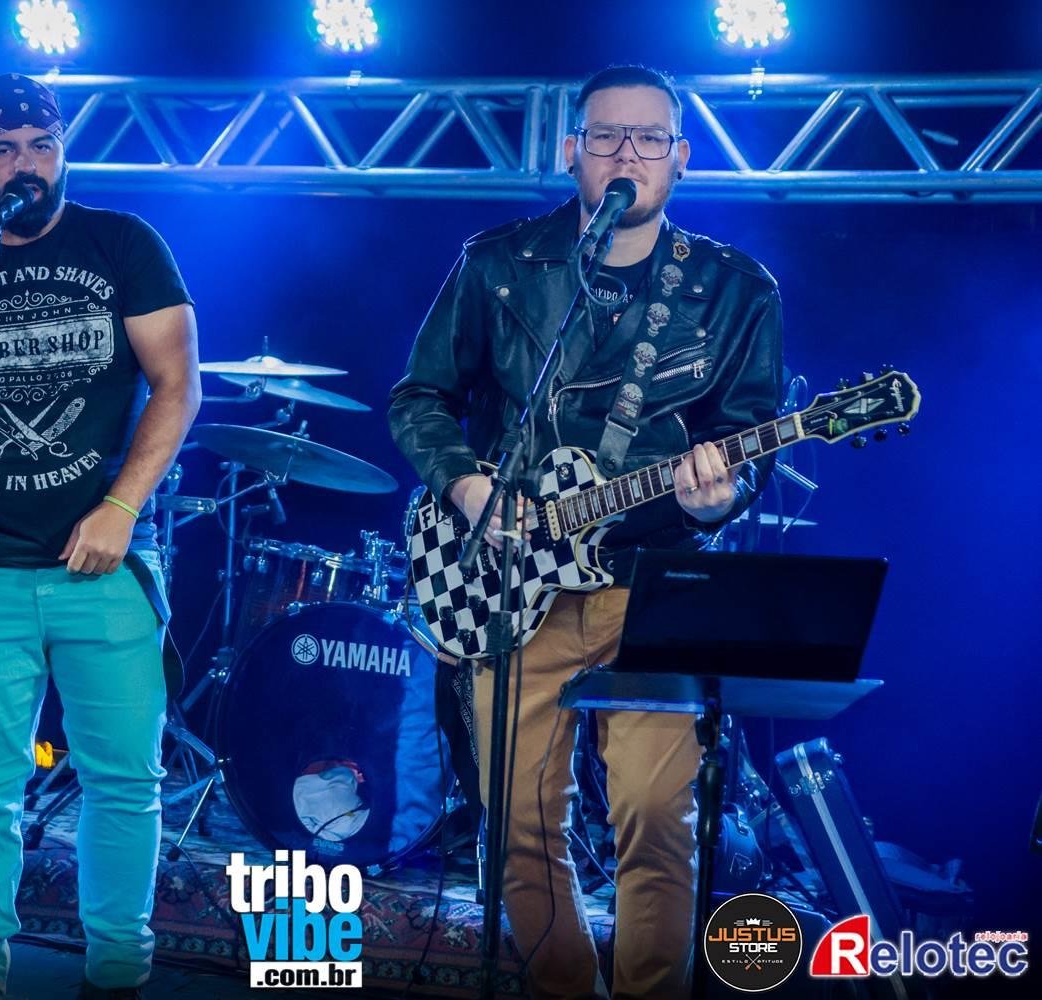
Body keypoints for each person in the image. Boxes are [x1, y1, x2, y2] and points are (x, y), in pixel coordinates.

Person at [388, 65, 782, 998]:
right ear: (572, 151)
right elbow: (419, 398)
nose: (626, 154)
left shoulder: (735, 290)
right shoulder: (498, 264)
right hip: (508, 578)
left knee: (654, 816)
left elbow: (750, 436)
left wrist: (718, 499)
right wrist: (471, 488)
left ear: (681, 159)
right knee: (517, 825)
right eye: (606, 136)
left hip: (652, 584)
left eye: (649, 138)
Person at [0, 73, 200, 1000]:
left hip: (106, 571)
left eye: (43, 146)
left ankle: (117, 974)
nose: (27, 165)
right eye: (3, 150)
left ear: (63, 150)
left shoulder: (123, 243)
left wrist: (121, 508)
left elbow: (178, 384)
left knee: (124, 784)